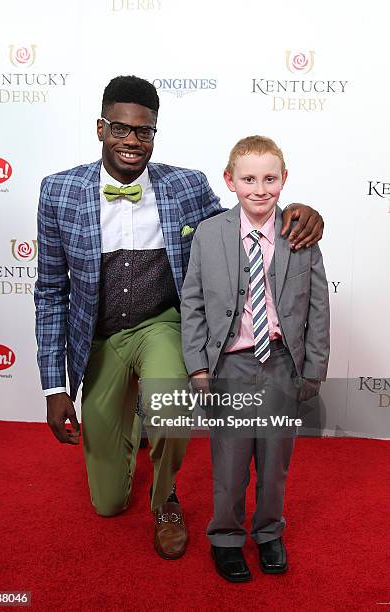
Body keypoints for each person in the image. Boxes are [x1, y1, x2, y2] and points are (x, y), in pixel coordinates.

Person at [34, 76, 324, 560]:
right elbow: (49, 290)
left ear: (154, 134)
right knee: (107, 502)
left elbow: (239, 224)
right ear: (100, 128)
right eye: (121, 129)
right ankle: (124, 435)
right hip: (100, 336)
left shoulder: (185, 185)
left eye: (143, 131)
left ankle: (166, 495)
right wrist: (53, 387)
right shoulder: (59, 191)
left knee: (170, 400)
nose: (131, 141)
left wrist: (298, 212)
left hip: (160, 323)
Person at [181, 135, 330, 580]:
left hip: (282, 365)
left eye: (270, 178)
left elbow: (319, 305)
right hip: (232, 365)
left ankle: (268, 533)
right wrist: (199, 367)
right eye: (248, 179)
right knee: (228, 465)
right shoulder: (209, 234)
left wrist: (315, 369)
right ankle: (226, 538)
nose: (259, 189)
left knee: (274, 462)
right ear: (230, 180)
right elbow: (192, 302)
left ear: (285, 179)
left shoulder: (299, 233)